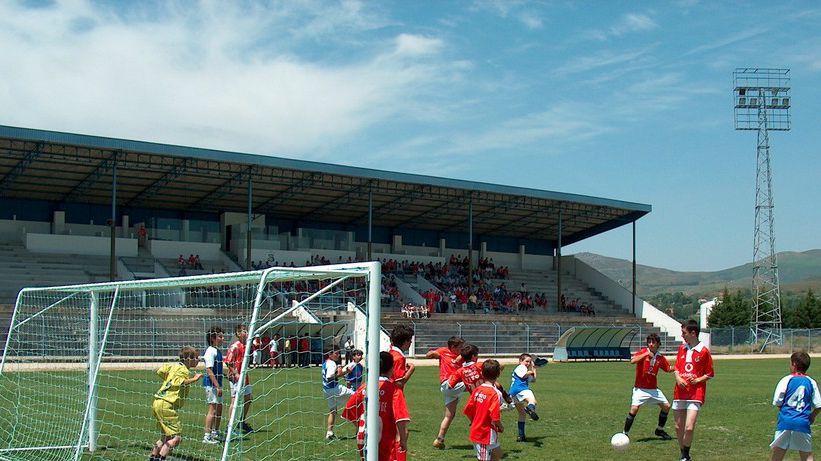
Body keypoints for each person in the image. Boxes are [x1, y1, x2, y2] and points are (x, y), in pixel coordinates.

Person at [342, 351, 411, 461]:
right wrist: (402, 439)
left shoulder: (364, 387)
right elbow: (400, 419)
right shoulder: (394, 390)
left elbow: (350, 409)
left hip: (364, 438)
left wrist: (360, 425)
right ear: (392, 367)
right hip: (386, 441)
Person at [149, 346, 203, 461]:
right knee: (176, 438)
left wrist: (168, 379)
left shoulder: (174, 366)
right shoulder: (183, 370)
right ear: (188, 359)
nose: (198, 360)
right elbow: (181, 382)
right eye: (196, 358)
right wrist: (194, 379)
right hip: (167, 404)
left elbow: (160, 371)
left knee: (165, 436)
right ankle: (161, 458)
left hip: (158, 401)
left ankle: (153, 457)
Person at [673, 319, 714, 461]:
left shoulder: (703, 351)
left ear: (693, 333)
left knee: (689, 427)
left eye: (684, 333)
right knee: (678, 427)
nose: (682, 335)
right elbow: (677, 368)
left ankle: (685, 456)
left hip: (695, 393)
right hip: (680, 392)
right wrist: (678, 378)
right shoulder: (682, 348)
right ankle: (683, 453)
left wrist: (697, 380)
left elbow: (709, 373)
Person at [622, 333, 673, 441]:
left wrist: (679, 368)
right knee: (634, 409)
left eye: (653, 342)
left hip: (653, 389)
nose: (651, 344)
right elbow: (633, 361)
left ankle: (659, 430)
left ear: (658, 344)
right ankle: (625, 434)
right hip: (640, 388)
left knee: (666, 406)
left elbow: (668, 369)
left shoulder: (660, 357)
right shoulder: (643, 352)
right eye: (649, 342)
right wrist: (645, 355)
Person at [770, 351, 820, 461]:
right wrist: (812, 416)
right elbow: (818, 405)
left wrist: (785, 410)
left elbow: (778, 401)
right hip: (802, 423)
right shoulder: (811, 382)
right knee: (807, 455)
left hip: (785, 422)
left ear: (794, 364)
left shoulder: (786, 380)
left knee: (778, 453)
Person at [426, 336, 465, 449]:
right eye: (460, 347)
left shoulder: (462, 356)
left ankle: (439, 439)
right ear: (453, 347)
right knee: (476, 383)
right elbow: (429, 355)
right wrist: (432, 354)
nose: (461, 349)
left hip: (453, 389)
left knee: (449, 416)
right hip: (449, 384)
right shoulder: (443, 351)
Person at [463, 359, 504, 461]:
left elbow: (468, 410)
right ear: (498, 374)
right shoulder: (495, 393)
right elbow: (495, 416)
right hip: (484, 433)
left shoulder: (477, 390)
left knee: (498, 454)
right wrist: (501, 426)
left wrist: (473, 422)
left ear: (481, 373)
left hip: (482, 430)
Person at [225, 324, 254, 434]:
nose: (246, 333)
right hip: (236, 377)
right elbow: (228, 362)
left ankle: (241, 421)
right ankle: (230, 426)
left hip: (244, 376)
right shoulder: (235, 346)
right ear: (238, 333)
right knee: (234, 401)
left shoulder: (246, 346)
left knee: (249, 398)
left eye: (247, 331)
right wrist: (236, 374)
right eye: (244, 331)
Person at [323, 346, 356, 440]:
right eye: (336, 353)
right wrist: (344, 373)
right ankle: (360, 425)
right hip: (335, 389)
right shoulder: (331, 363)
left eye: (339, 353)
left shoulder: (326, 363)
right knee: (358, 396)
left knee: (332, 410)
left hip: (327, 390)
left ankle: (329, 432)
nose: (338, 355)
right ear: (330, 354)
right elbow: (330, 377)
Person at [509, 353, 539, 442]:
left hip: (514, 393)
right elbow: (523, 375)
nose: (528, 363)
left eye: (529, 362)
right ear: (520, 361)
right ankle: (530, 409)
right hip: (520, 389)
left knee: (522, 414)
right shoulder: (520, 367)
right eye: (526, 361)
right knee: (532, 401)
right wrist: (530, 371)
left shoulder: (525, 369)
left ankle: (521, 436)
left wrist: (534, 369)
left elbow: (533, 380)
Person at [202, 326, 225, 445]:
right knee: (213, 409)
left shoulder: (217, 351)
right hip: (211, 385)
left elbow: (217, 370)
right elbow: (209, 370)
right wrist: (217, 386)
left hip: (218, 384)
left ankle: (215, 432)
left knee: (219, 408)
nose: (223, 338)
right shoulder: (210, 351)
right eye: (220, 336)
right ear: (213, 338)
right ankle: (207, 436)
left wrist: (226, 375)